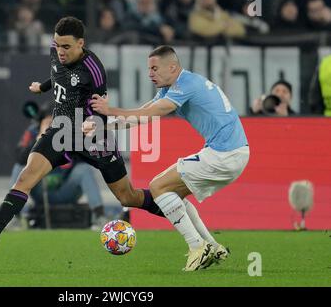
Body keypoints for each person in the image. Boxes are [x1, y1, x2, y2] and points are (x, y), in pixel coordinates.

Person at [0, 16, 165, 252]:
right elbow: (58, 75)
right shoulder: (56, 49)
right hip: (60, 130)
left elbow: (101, 109)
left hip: (91, 135)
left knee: (127, 197)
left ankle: (176, 213)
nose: (60, 51)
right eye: (57, 45)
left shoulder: (94, 69)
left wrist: (95, 122)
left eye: (66, 47)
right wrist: (42, 86)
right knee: (25, 176)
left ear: (81, 43)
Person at [85, 45, 250, 271]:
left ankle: (197, 248)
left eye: (154, 68)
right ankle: (212, 246)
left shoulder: (186, 84)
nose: (150, 74)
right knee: (173, 193)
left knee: (157, 187)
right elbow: (140, 117)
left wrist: (108, 109)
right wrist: (103, 126)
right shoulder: (171, 87)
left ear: (172, 67)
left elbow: (151, 113)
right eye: (149, 69)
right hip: (230, 152)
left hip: (225, 153)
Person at [9, 107, 108, 229]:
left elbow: (88, 158)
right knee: (19, 167)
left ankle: (99, 217)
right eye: (49, 123)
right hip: (40, 190)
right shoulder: (32, 132)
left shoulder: (74, 133)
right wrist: (39, 141)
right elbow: (19, 157)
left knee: (84, 170)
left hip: (66, 190)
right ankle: (13, 218)